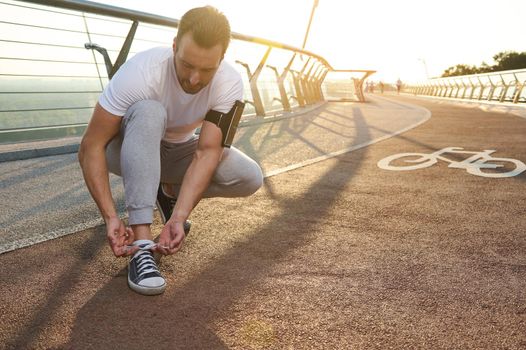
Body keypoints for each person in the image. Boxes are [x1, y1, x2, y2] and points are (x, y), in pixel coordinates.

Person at [78, 6, 263, 296]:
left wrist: (179, 216)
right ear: (174, 47)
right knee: (150, 111)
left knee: (249, 176)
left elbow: (207, 152)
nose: (194, 79)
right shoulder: (140, 73)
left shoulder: (230, 83)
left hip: (177, 153)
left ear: (221, 59)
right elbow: (91, 145)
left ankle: (168, 194)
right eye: (187, 64)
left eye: (207, 69)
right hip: (126, 150)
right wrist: (110, 216)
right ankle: (141, 245)